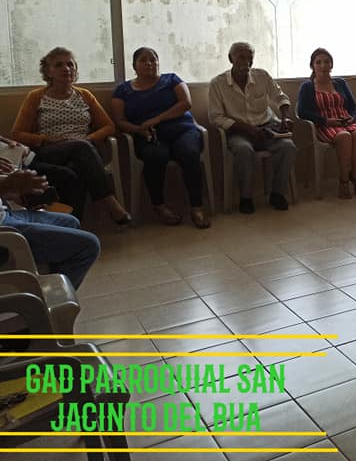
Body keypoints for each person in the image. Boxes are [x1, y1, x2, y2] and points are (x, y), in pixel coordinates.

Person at [11, 47, 131, 227]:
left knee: (76, 168)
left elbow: (109, 126)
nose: (66, 68)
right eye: (59, 65)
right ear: (48, 71)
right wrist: (46, 139)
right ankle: (109, 201)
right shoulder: (36, 97)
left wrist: (89, 139)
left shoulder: (84, 95)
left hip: (84, 150)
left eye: (70, 64)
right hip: (50, 151)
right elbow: (17, 134)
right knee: (80, 148)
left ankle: (73, 225)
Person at [111, 47, 208, 229]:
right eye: (143, 60)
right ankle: (159, 206)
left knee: (189, 153)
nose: (149, 63)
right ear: (134, 66)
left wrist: (156, 119)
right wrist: (139, 129)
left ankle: (197, 207)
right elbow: (119, 121)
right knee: (156, 156)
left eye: (153, 59)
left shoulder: (171, 79)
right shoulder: (122, 90)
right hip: (149, 135)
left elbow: (186, 103)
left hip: (182, 130)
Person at [208, 42, 296, 214]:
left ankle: (277, 194)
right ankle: (246, 198)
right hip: (238, 131)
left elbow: (280, 97)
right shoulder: (218, 84)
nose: (247, 62)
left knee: (288, 147)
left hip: (266, 127)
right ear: (230, 58)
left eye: (250, 58)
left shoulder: (262, 76)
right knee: (243, 150)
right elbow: (216, 117)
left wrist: (285, 117)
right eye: (241, 57)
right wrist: (248, 129)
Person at [0, 160, 100, 289]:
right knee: (88, 246)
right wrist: (7, 184)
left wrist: (12, 192)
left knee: (70, 222)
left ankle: (50, 286)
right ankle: (53, 296)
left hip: (6, 214)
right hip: (3, 230)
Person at [297, 48, 356, 199]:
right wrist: (325, 121)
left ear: (332, 65)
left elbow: (353, 106)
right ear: (312, 66)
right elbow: (302, 112)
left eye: (327, 62)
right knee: (345, 137)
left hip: (345, 121)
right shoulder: (307, 86)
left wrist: (352, 117)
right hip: (324, 125)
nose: (323, 65)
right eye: (318, 62)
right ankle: (344, 181)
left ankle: (355, 176)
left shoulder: (340, 83)